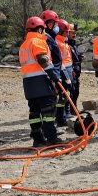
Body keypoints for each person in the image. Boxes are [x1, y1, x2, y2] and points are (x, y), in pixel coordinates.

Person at [19, 16, 63, 147]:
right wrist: (55, 77)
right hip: (41, 81)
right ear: (39, 29)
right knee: (48, 111)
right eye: (43, 29)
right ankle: (51, 138)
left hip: (28, 83)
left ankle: (37, 139)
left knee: (34, 112)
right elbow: (43, 60)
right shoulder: (37, 41)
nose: (44, 32)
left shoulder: (24, 45)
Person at [54, 18, 74, 125]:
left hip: (68, 71)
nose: (68, 33)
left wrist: (72, 71)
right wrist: (66, 77)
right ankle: (60, 118)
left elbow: (68, 59)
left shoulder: (63, 42)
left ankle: (62, 117)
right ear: (61, 31)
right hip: (63, 72)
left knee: (66, 95)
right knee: (63, 95)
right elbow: (59, 62)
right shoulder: (57, 43)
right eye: (66, 31)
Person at [66, 23, 82, 113]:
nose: (74, 34)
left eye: (75, 32)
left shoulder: (72, 44)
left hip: (76, 72)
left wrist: (79, 57)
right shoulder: (66, 44)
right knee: (71, 93)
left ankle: (74, 109)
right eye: (72, 32)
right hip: (70, 72)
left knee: (76, 92)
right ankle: (69, 111)